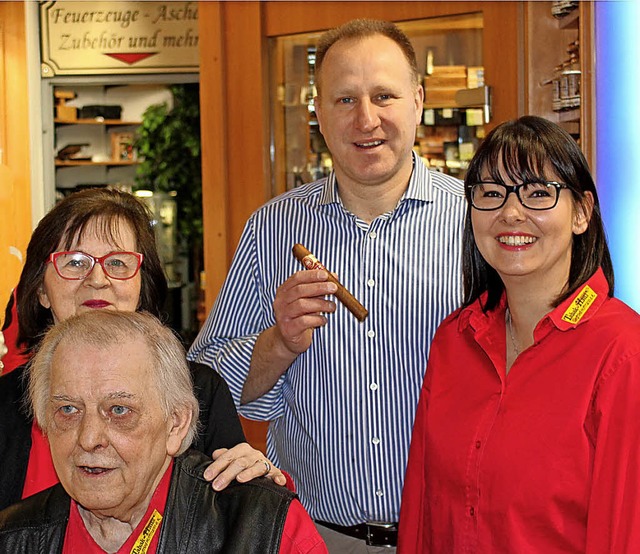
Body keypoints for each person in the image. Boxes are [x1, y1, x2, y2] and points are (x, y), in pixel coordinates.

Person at [188, 19, 467, 552]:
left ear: (418, 100)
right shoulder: (274, 228)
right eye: (344, 99)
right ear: (317, 112)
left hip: (450, 534)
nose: (367, 119)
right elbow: (203, 391)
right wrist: (279, 341)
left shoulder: (476, 225)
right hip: (317, 536)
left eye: (384, 95)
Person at [398, 115, 640, 552]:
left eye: (538, 194)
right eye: (491, 193)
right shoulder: (455, 338)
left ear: (582, 213)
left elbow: (623, 532)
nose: (511, 213)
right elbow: (423, 510)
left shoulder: (622, 352)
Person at [0, 188, 284, 513]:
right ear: (40, 290)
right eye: (75, 262)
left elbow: (232, 517)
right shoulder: (5, 403)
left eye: (118, 262)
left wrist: (253, 483)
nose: (97, 278)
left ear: (141, 284)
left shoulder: (199, 391)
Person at [0, 310, 326, 553]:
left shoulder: (262, 529)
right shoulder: (13, 537)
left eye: (119, 410)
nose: (88, 439)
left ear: (176, 424)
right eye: (68, 410)